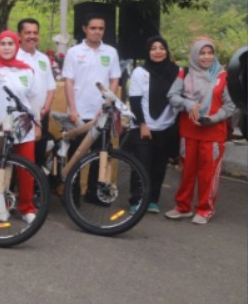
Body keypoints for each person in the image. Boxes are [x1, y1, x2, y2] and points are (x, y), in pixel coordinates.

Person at [165, 39, 235, 225]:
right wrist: (187, 104)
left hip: (213, 134)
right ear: (195, 55)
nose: (206, 57)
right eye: (202, 53)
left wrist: (213, 118)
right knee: (186, 172)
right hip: (188, 132)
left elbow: (230, 106)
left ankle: (205, 209)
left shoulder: (223, 76)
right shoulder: (185, 73)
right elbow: (172, 96)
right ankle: (183, 207)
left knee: (208, 174)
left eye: (210, 53)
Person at [0, 30, 41, 223]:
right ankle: (1, 207)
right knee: (1, 167)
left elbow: (33, 100)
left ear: (17, 46)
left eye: (10, 44)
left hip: (25, 127)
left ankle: (27, 208)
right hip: (2, 126)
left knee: (26, 170)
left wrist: (37, 123)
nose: (7, 47)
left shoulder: (27, 70)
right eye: (3, 44)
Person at [61, 13, 121, 205]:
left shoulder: (111, 52)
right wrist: (73, 109)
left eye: (101, 28)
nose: (97, 32)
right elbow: (69, 82)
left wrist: (107, 104)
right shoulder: (74, 52)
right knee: (76, 155)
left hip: (101, 113)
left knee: (100, 154)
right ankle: (72, 194)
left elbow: (114, 80)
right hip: (79, 113)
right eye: (93, 28)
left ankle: (94, 193)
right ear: (85, 29)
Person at [126, 36, 180, 214]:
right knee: (141, 166)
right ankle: (137, 200)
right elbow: (135, 100)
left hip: (166, 127)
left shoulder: (176, 72)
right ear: (148, 52)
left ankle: (152, 200)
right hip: (143, 126)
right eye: (153, 48)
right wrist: (142, 124)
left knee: (159, 167)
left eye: (162, 48)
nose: (158, 52)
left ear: (167, 51)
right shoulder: (140, 72)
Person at [16, 18, 57, 171]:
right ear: (19, 35)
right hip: (21, 116)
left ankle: (36, 186)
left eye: (35, 33)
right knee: (19, 159)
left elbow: (51, 87)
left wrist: (45, 108)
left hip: (41, 115)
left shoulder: (43, 59)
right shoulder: (14, 58)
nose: (32, 36)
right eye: (28, 33)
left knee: (39, 156)